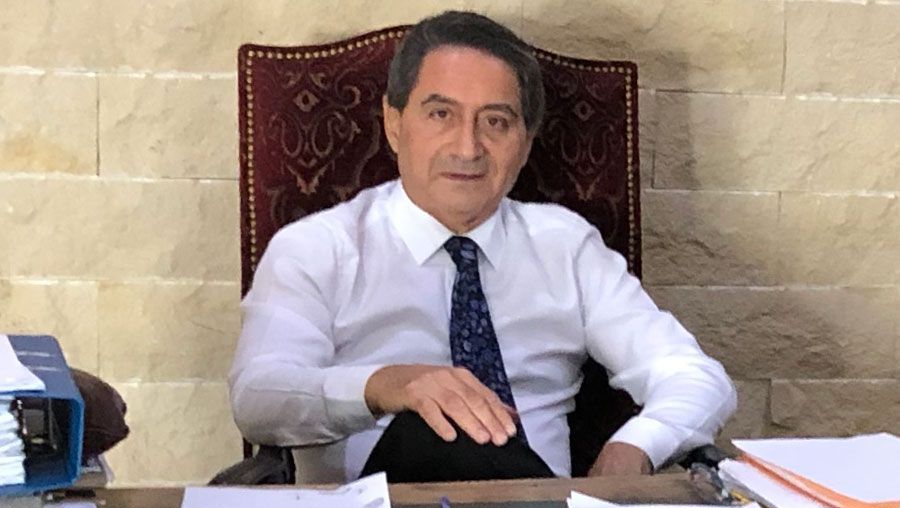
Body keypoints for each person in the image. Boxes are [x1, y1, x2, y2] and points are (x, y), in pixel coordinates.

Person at [229, 10, 737, 483]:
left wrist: (637, 446)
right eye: (441, 114)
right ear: (394, 123)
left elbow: (696, 377)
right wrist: (385, 386)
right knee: (432, 425)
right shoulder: (318, 248)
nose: (467, 147)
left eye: (496, 122)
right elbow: (257, 395)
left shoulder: (566, 246)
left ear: (526, 141)